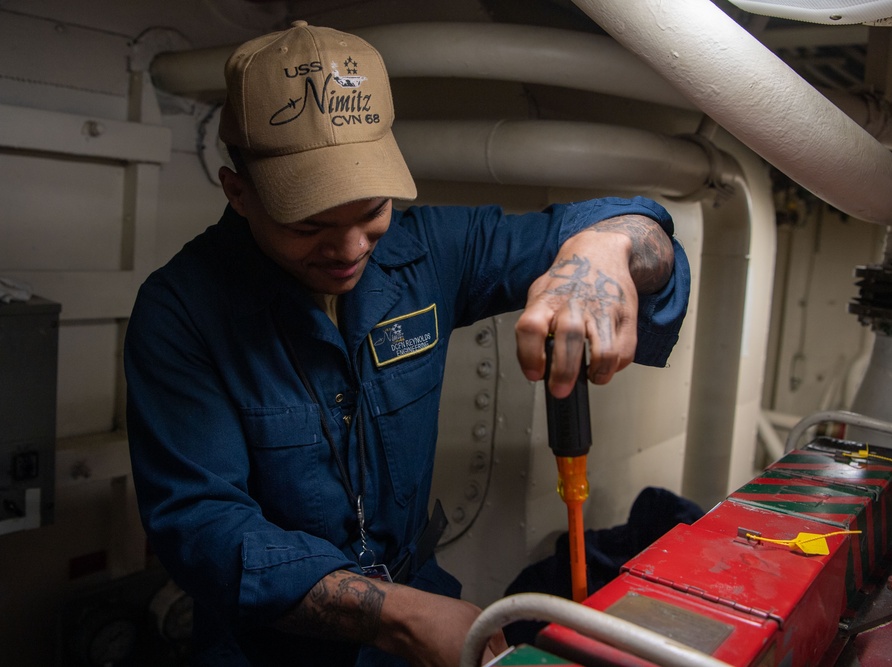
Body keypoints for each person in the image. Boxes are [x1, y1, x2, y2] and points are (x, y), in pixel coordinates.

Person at [124, 20, 690, 667]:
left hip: (413, 613)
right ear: (239, 192)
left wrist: (603, 248)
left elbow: (636, 224)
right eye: (308, 224)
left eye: (371, 211)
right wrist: (398, 615)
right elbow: (204, 525)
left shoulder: (432, 249)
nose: (350, 248)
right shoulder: (181, 312)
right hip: (273, 645)